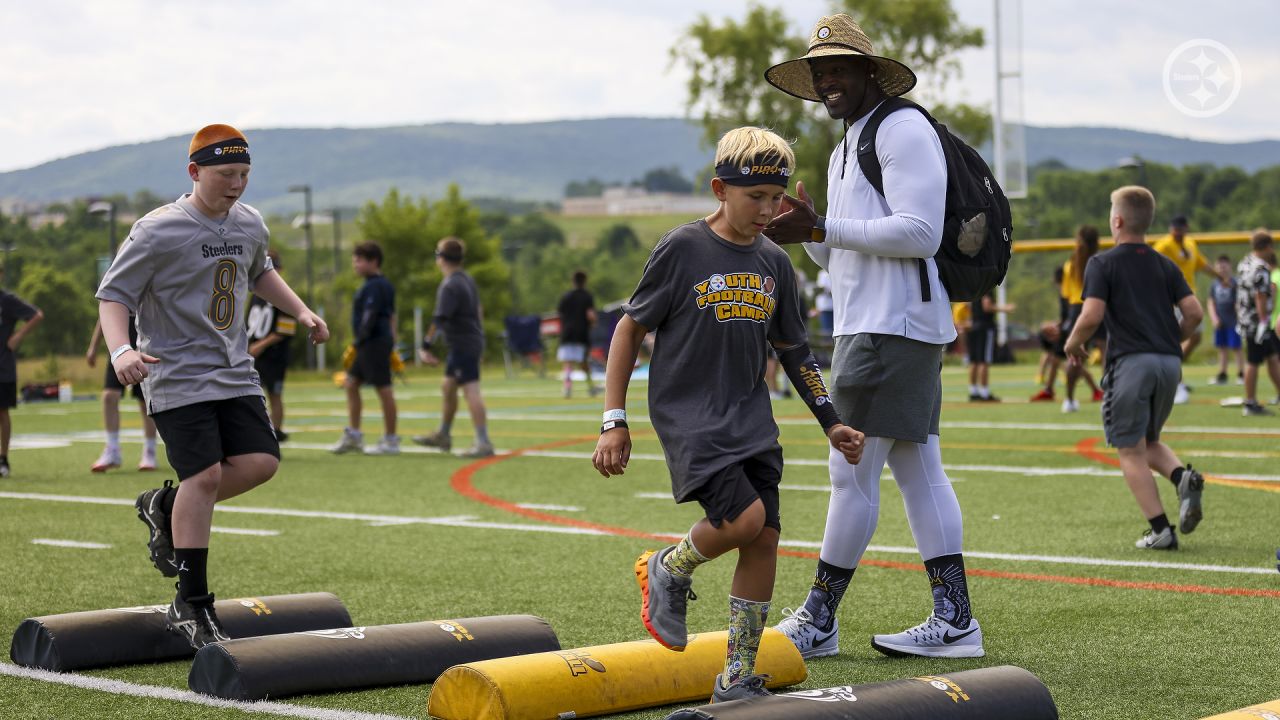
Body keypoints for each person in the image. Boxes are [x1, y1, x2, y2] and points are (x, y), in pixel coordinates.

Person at [593, 126, 863, 703]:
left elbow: (793, 351)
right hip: (691, 416)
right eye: (755, 198)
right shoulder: (683, 248)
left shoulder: (775, 263)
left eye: (776, 198)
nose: (767, 211)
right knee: (742, 520)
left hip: (752, 421)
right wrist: (614, 419)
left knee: (763, 537)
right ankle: (670, 565)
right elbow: (629, 327)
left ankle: (737, 678)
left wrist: (831, 420)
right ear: (720, 188)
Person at [761, 13, 984, 660]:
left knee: (849, 470)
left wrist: (824, 228)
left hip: (890, 327)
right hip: (881, 322)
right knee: (918, 472)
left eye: (838, 68)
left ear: (868, 72)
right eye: (819, 70)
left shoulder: (902, 128)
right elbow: (841, 257)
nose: (827, 79)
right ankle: (956, 620)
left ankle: (821, 620)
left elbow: (921, 233)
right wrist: (808, 235)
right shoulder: (848, 142)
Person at [98, 124, 328, 648]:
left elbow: (260, 270)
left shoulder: (249, 222)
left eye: (245, 174)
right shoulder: (156, 229)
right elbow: (113, 296)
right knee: (202, 478)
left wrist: (300, 309)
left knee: (261, 463)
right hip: (175, 371)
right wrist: (120, 351)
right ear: (194, 172)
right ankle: (192, 602)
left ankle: (164, 505)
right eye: (226, 174)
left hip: (233, 368)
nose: (237, 184)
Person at [1063, 185, 1205, 549]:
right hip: (1170, 363)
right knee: (1149, 440)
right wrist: (1173, 340)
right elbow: (1194, 313)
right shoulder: (1165, 263)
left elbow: (1092, 314)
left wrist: (1073, 343)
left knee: (1129, 449)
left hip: (1131, 363)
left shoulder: (1102, 263)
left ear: (1117, 220)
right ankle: (1182, 477)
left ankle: (1161, 530)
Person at [413, 237, 494, 459]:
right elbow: (478, 312)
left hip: (462, 344)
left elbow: (439, 318)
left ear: (441, 258)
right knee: (448, 386)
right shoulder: (467, 279)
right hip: (470, 341)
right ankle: (444, 434)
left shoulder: (450, 284)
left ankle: (483, 441)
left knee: (471, 391)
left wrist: (425, 346)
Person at [331, 241, 400, 455]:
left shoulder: (375, 286)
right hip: (368, 343)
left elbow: (370, 316)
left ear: (374, 261)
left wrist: (358, 341)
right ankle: (354, 435)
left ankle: (391, 440)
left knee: (383, 388)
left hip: (373, 342)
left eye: (359, 260)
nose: (356, 264)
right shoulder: (376, 284)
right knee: (351, 384)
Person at [1151, 215, 1228, 404]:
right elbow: (1151, 266)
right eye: (1174, 228)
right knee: (1173, 341)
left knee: (1195, 337)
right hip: (1171, 298)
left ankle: (1171, 370)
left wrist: (1220, 277)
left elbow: (1202, 264)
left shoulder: (1190, 244)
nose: (1177, 232)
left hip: (1189, 297)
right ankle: (1177, 384)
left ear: (1186, 228)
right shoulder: (1164, 246)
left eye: (1180, 228)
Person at [86, 317, 158, 471]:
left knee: (144, 400)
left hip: (145, 342)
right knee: (109, 396)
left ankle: (149, 451)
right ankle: (112, 450)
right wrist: (93, 346)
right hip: (119, 345)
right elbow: (104, 312)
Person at [247, 250, 297, 442]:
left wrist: (261, 345)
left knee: (274, 393)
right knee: (254, 394)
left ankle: (276, 430)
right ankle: (261, 430)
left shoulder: (284, 295)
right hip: (254, 353)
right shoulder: (256, 293)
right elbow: (249, 323)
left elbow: (285, 329)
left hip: (274, 354)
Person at [1060, 225, 1105, 413]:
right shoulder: (1101, 262)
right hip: (1098, 305)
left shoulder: (1070, 265)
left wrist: (1064, 320)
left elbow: (1065, 295)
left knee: (1075, 356)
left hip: (1076, 309)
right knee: (1107, 352)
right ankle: (1110, 396)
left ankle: (1069, 400)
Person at [1235, 230, 1280, 417]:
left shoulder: (1244, 262)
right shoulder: (1261, 267)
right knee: (1253, 360)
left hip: (1245, 318)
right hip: (1256, 322)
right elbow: (1260, 296)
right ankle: (1250, 402)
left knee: (1272, 358)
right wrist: (1263, 321)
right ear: (1268, 246)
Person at [0, 284, 42, 477]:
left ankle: (3, 460)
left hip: (3, 367)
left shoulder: (7, 300)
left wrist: (18, 336)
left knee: (2, 412)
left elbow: (36, 315)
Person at [556, 270, 599, 399]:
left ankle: (567, 388)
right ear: (584, 281)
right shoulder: (587, 296)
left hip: (567, 333)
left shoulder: (566, 296)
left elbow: (560, 314)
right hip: (581, 333)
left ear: (573, 281)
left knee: (568, 363)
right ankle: (591, 387)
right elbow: (590, 315)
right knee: (583, 362)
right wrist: (593, 324)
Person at [966, 291, 1014, 402]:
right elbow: (986, 306)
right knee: (984, 361)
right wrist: (1005, 309)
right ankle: (984, 393)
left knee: (974, 361)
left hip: (974, 327)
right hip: (985, 328)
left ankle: (973, 392)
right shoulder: (987, 286)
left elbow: (969, 305)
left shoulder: (975, 286)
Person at [1207, 255, 1243, 386]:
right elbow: (1211, 302)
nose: (1222, 269)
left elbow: (1239, 302)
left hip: (1233, 320)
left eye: (1224, 266)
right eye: (1219, 266)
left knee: (1236, 347)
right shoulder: (1214, 284)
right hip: (1220, 321)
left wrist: (1240, 318)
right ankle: (1222, 374)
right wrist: (1214, 318)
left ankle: (1241, 374)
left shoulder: (1235, 282)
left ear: (1230, 266)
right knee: (1222, 348)